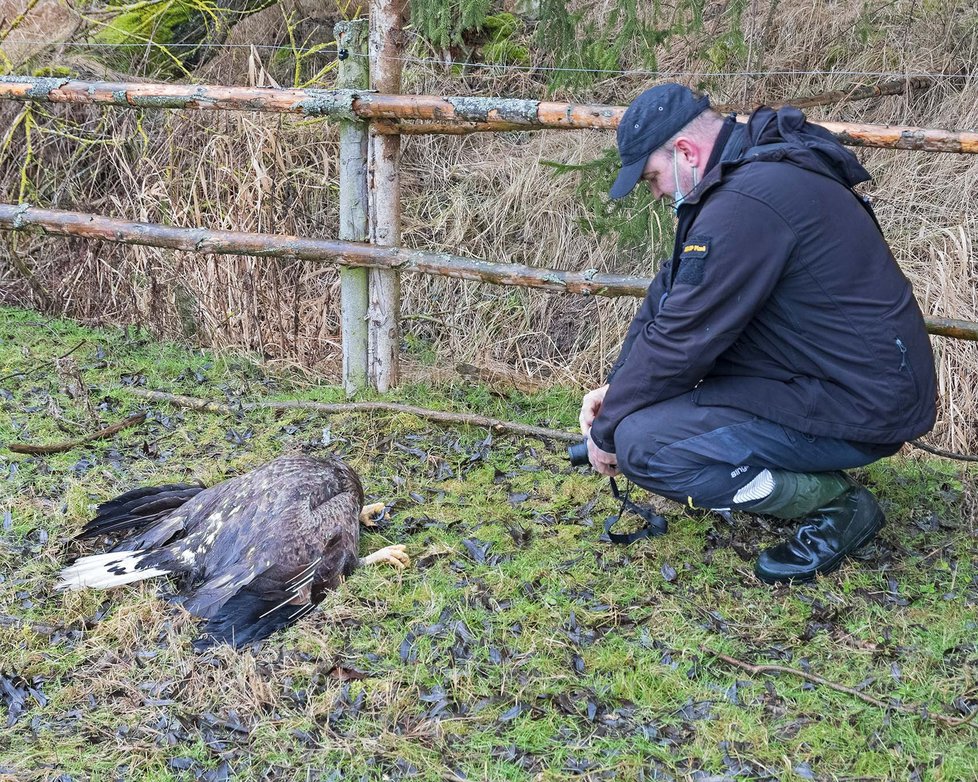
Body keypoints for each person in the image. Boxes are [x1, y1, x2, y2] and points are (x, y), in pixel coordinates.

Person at [579, 83, 937, 583]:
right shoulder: (748, 177)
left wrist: (610, 429)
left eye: (652, 178)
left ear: (685, 151)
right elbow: (669, 297)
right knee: (643, 413)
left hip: (861, 401)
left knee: (646, 446)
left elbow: (684, 337)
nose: (655, 192)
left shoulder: (747, 203)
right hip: (828, 378)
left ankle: (836, 504)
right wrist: (618, 390)